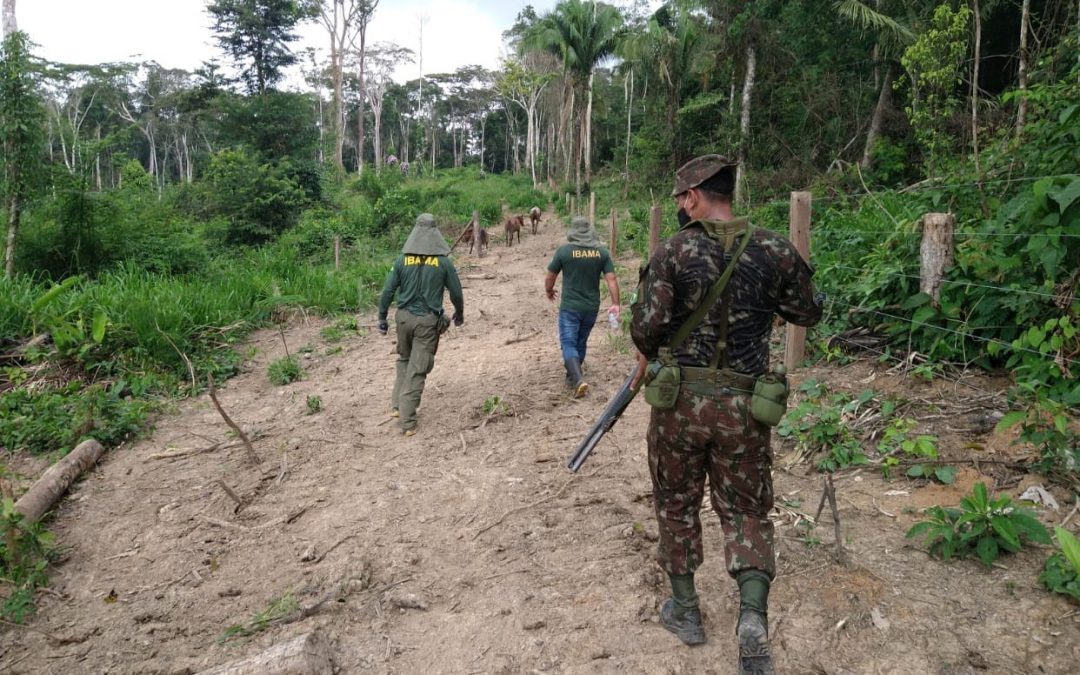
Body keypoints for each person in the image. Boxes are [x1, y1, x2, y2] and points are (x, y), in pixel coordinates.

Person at [629, 155, 822, 673]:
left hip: (680, 406)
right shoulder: (774, 250)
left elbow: (645, 331)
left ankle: (686, 610)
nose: (678, 205)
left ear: (693, 196)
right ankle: (752, 618)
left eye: (680, 197)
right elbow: (808, 311)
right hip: (745, 407)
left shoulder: (672, 252)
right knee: (747, 508)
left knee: (676, 501)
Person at [377, 213, 464, 436]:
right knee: (418, 368)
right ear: (435, 233)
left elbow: (387, 291)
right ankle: (408, 422)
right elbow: (456, 292)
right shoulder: (443, 263)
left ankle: (397, 406)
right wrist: (459, 313)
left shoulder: (401, 261)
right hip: (426, 323)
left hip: (403, 319)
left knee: (404, 360)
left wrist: (382, 318)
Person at [544, 216, 620, 397]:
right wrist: (616, 303)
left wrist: (549, 290)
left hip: (570, 306)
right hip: (591, 307)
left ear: (573, 232)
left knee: (568, 342)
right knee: (581, 341)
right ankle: (572, 377)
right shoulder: (602, 253)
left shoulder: (564, 251)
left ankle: (578, 379)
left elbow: (551, 276)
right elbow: (611, 279)